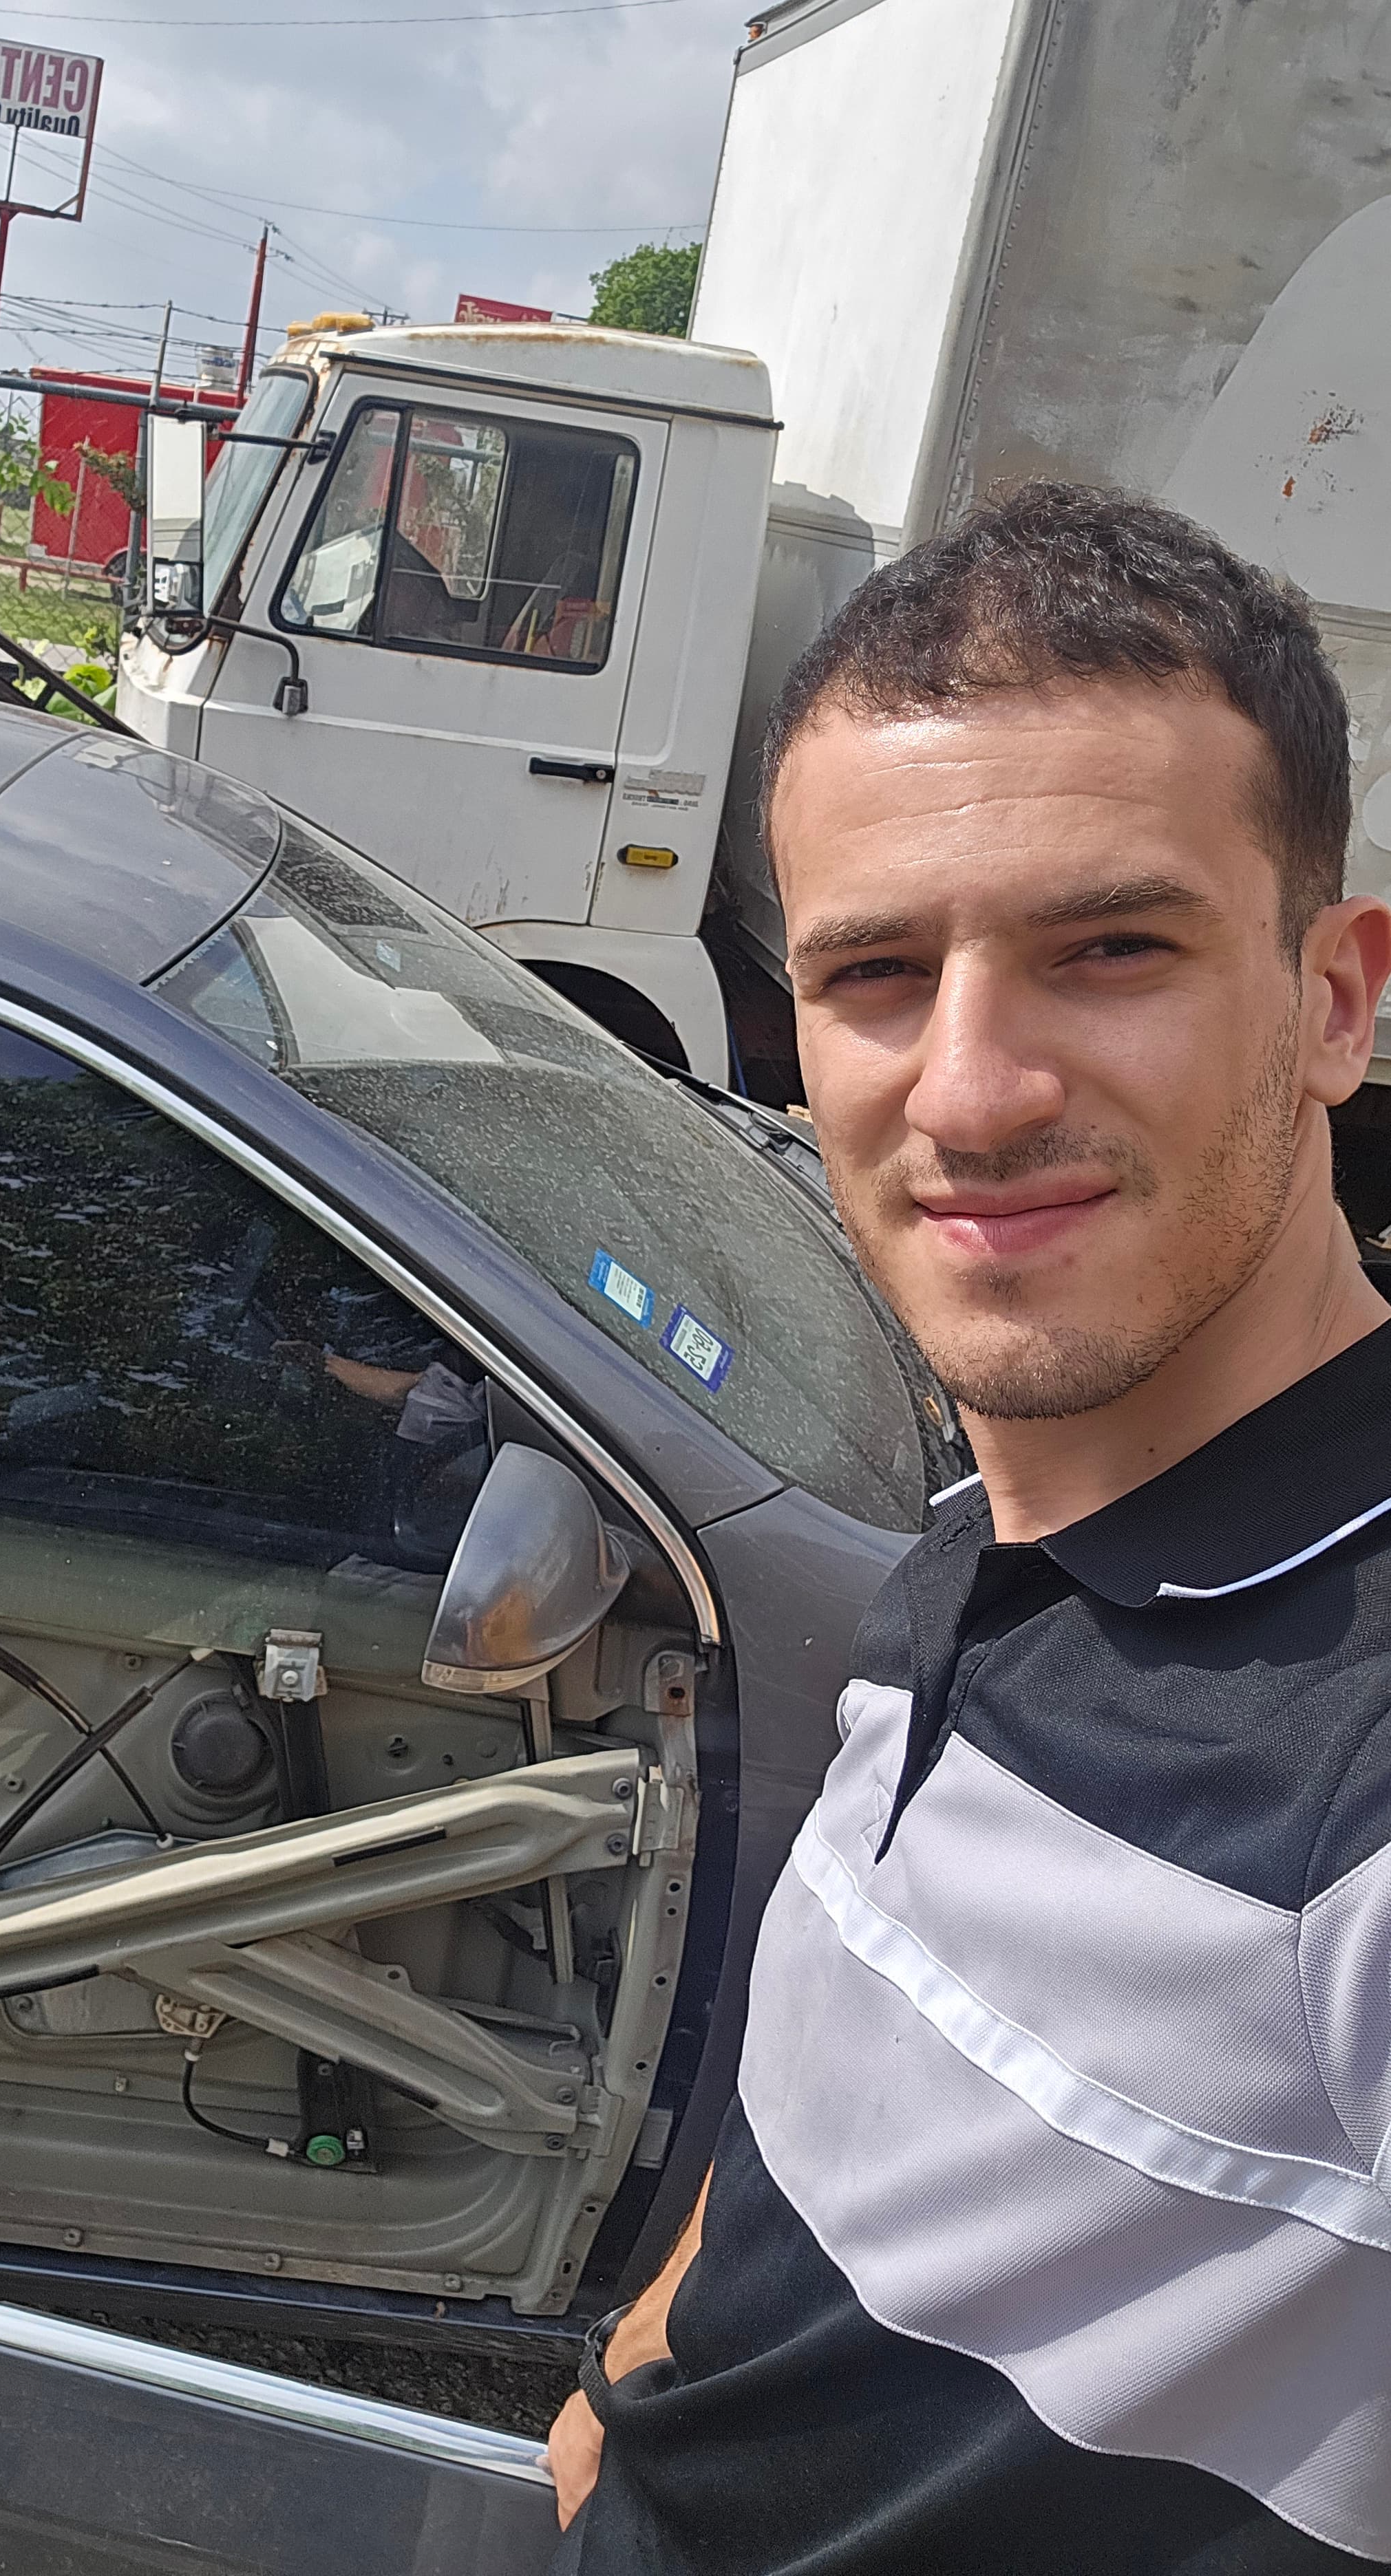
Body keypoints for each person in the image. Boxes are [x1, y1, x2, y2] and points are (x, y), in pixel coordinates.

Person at [546, 481, 1391, 2570]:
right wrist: (621, 2396)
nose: (974, 1086)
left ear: (1342, 1000)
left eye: (1113, 948)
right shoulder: (1018, 1507)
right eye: (876, 974)